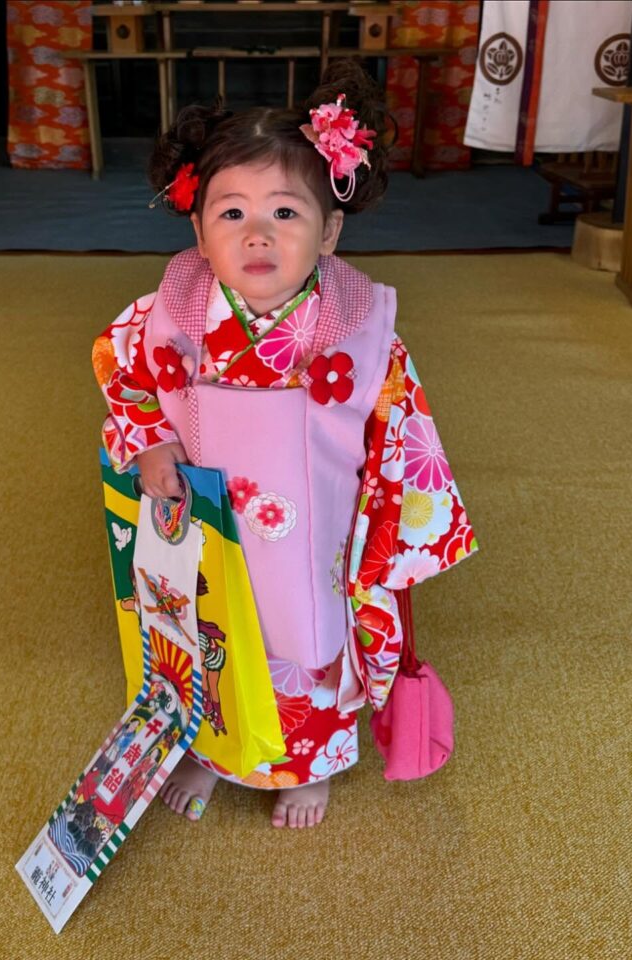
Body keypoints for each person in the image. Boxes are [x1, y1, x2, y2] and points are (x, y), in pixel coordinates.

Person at [92, 61, 477, 830]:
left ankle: (310, 767)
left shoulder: (362, 331)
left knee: (306, 638)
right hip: (203, 522)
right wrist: (150, 442)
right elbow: (120, 373)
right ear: (198, 226)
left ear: (329, 230)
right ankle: (207, 750)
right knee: (202, 630)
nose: (258, 233)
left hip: (315, 533)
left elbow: (402, 436)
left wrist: (389, 530)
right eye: (231, 213)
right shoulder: (166, 315)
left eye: (286, 213)